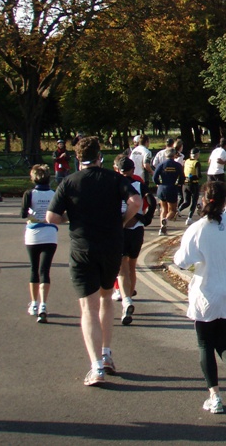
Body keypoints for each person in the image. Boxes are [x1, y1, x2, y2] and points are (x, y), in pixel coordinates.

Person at [45, 136, 141, 386]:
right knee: (106, 298)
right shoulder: (114, 178)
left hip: (82, 248)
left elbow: (51, 217)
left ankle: (96, 367)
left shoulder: (69, 182)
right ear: (101, 157)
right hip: (111, 246)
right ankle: (107, 354)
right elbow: (136, 201)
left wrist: (70, 218)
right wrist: (122, 221)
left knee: (88, 308)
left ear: (77, 159)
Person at [174, 180, 226, 414]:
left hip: (207, 293)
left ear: (203, 200)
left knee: (205, 344)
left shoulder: (197, 229)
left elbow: (181, 261)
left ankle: (215, 397)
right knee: (225, 343)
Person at [20, 164, 58, 322]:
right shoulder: (54, 194)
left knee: (34, 269)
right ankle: (43, 304)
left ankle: (34, 303)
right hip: (50, 234)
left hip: (33, 234)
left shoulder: (29, 193)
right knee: (45, 270)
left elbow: (23, 214)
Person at [115, 155, 148, 326]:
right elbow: (151, 201)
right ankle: (129, 296)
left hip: (120, 228)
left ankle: (126, 300)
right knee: (132, 267)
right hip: (137, 228)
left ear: (117, 170)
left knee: (122, 269)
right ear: (133, 170)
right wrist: (145, 217)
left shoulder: (114, 184)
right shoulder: (139, 185)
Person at [154, 148, 185, 236]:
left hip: (162, 187)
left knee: (163, 209)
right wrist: (179, 184)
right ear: (174, 155)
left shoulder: (161, 164)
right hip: (171, 188)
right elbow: (182, 177)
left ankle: (162, 228)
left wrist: (158, 183)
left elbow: (154, 177)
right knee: (172, 210)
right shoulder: (177, 165)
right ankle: (166, 221)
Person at [182, 147, 202, 224]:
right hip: (193, 184)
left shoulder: (186, 161)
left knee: (186, 201)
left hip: (185, 183)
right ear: (197, 154)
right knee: (194, 202)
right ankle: (189, 218)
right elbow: (198, 175)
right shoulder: (196, 163)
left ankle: (178, 210)